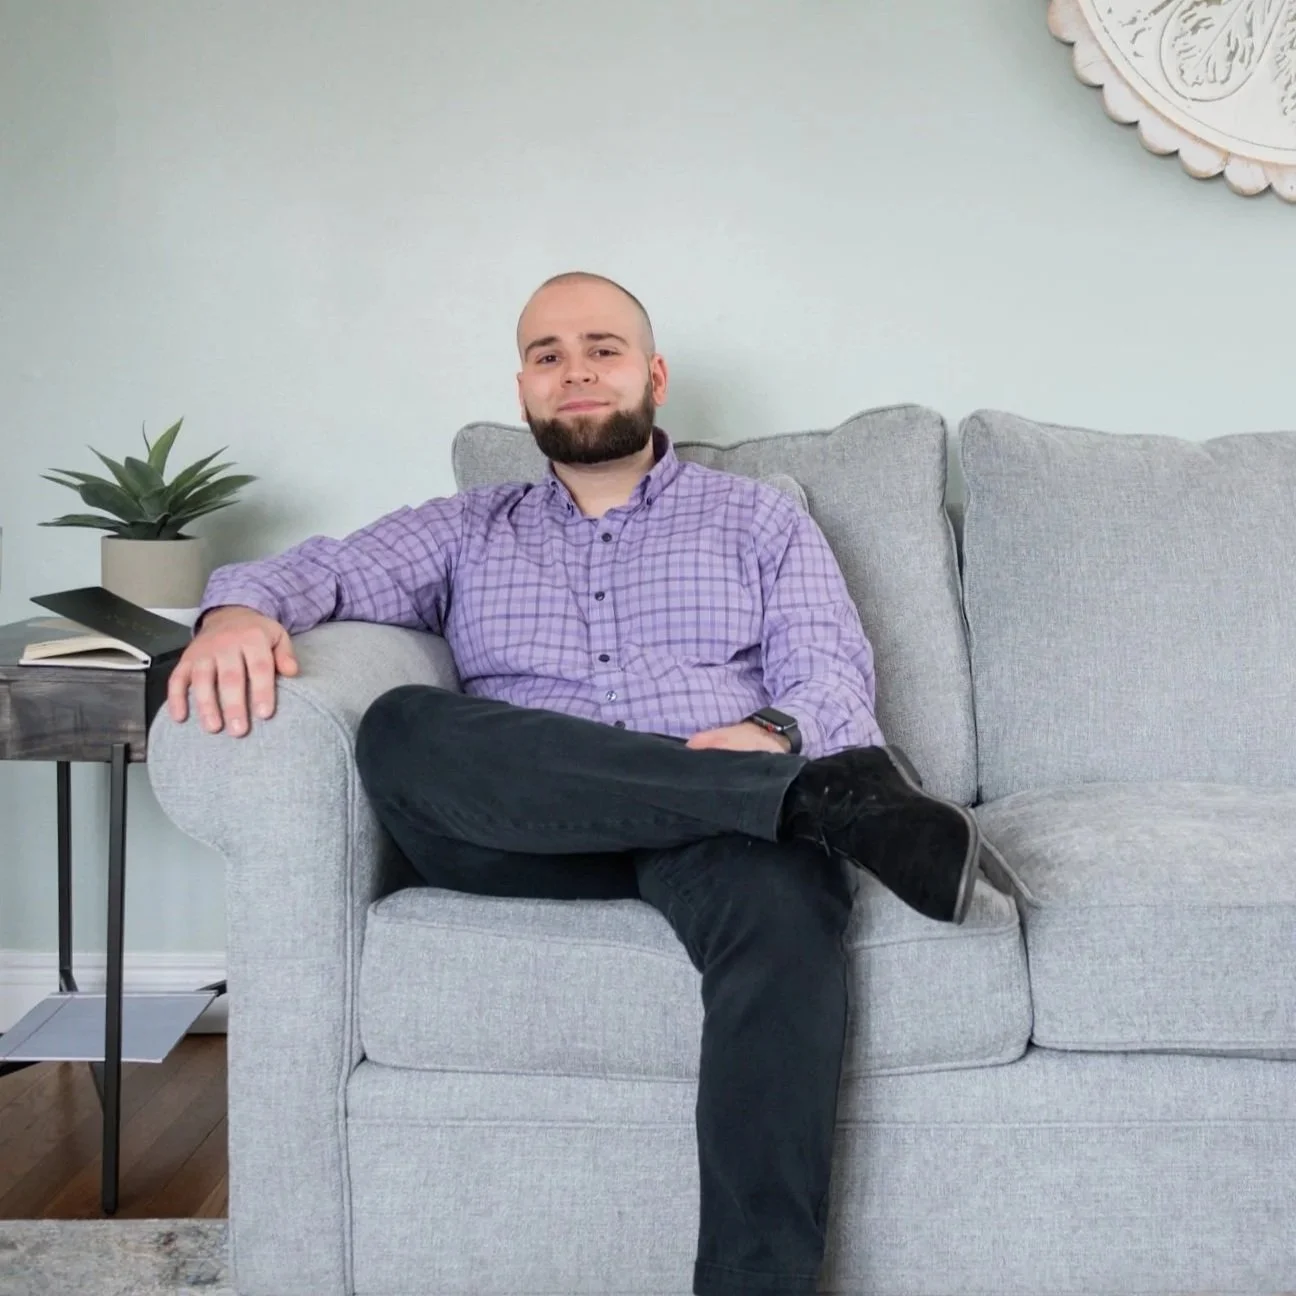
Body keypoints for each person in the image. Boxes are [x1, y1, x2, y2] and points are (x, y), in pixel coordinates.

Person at [166, 271, 982, 1296]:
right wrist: (237, 611)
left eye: (602, 348)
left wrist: (772, 733)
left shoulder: (759, 522)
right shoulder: (468, 527)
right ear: (524, 390)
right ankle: (816, 802)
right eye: (548, 356)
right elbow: (322, 570)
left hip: (719, 834)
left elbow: (830, 678)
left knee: (786, 912)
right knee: (404, 725)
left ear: (654, 375)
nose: (576, 371)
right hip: (522, 827)